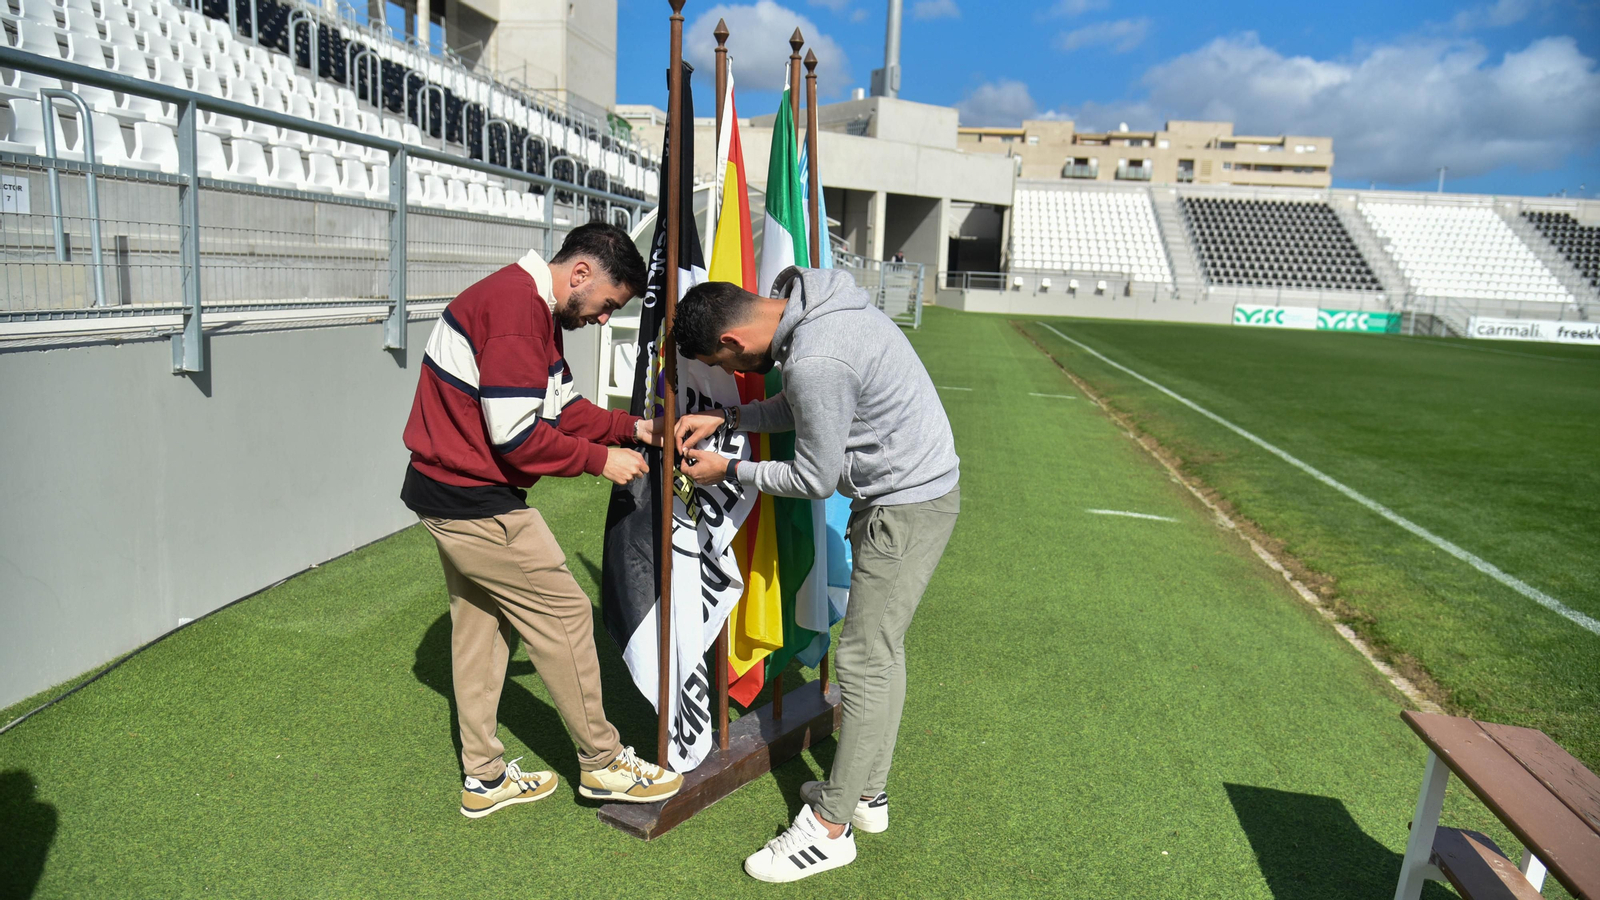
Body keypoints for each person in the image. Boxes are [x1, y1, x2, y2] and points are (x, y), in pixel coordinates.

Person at [671, 266, 961, 882]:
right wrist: (734, 421)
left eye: (724, 367)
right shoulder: (812, 309)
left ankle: (831, 828)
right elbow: (801, 406)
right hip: (914, 494)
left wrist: (729, 470)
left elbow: (813, 478)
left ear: (731, 342)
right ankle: (869, 795)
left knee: (860, 659)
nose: (734, 377)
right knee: (880, 652)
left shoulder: (815, 356)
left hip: (904, 506)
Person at [400, 222, 683, 819]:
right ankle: (603, 765)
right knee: (565, 613)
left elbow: (561, 410)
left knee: (483, 629)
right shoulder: (515, 311)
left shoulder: (530, 307)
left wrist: (633, 428)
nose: (605, 318)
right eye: (608, 304)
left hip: (449, 493)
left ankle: (483, 776)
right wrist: (601, 461)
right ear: (579, 273)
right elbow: (519, 437)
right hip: (476, 499)